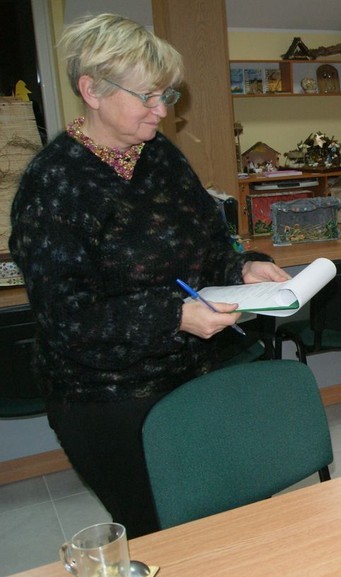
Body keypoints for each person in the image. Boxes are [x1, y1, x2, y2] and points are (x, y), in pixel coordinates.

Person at [8, 14, 289, 537]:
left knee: (222, 517)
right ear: (91, 90)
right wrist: (173, 316)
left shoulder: (161, 157)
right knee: (160, 530)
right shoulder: (53, 183)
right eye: (148, 97)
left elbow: (210, 247)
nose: (162, 110)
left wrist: (242, 265)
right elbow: (68, 319)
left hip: (193, 376)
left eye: (167, 95)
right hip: (108, 398)